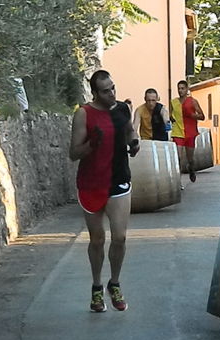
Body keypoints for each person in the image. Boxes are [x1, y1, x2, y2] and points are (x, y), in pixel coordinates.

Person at [69, 69, 140, 313]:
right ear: (95, 93)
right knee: (97, 239)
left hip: (119, 179)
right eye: (106, 91)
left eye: (113, 88)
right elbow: (73, 153)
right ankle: (97, 287)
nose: (112, 93)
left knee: (119, 237)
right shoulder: (83, 114)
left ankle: (115, 283)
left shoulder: (122, 109)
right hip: (91, 183)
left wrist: (134, 142)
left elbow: (129, 130)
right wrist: (92, 144)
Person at [170, 80, 205, 183]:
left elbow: (202, 116)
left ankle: (191, 168)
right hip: (177, 132)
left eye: (182, 88)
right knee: (178, 158)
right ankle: (178, 181)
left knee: (190, 158)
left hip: (190, 132)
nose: (180, 91)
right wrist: (171, 118)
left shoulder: (193, 101)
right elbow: (171, 115)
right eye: (179, 88)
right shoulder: (173, 102)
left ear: (187, 89)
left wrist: (194, 116)